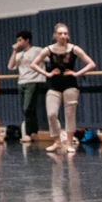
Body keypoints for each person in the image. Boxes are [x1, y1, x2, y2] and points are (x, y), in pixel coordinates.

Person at [30, 23, 97, 155]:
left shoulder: (74, 49)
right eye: (60, 33)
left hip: (70, 85)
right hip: (54, 85)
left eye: (65, 33)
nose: (63, 36)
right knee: (51, 113)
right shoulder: (48, 49)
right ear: (55, 35)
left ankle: (69, 143)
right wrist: (47, 74)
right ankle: (57, 141)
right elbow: (33, 64)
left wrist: (77, 73)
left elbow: (91, 64)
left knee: (70, 114)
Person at [8, 30, 44, 143]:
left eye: (20, 40)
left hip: (33, 81)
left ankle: (28, 133)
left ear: (27, 40)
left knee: (27, 107)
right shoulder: (19, 54)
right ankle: (34, 132)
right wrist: (14, 51)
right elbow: (10, 66)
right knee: (29, 109)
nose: (18, 42)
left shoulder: (37, 50)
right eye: (17, 40)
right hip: (21, 82)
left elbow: (49, 58)